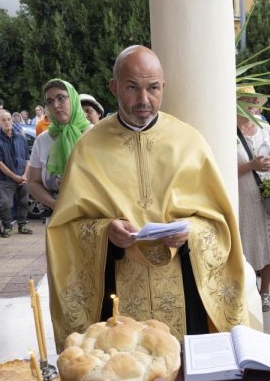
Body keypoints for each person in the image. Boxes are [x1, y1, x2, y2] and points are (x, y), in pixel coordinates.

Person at [46, 46, 253, 340]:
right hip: (116, 287)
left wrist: (190, 231)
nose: (144, 100)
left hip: (184, 284)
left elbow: (220, 222)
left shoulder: (189, 142)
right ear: (114, 87)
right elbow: (63, 231)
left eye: (153, 88)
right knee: (126, 373)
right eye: (132, 87)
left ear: (163, 87)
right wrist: (106, 232)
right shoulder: (87, 149)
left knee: (184, 372)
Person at [236, 90, 270, 312]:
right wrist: (251, 166)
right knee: (246, 246)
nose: (252, 106)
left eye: (255, 102)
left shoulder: (266, 129)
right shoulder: (227, 131)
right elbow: (219, 169)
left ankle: (265, 291)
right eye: (246, 102)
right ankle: (248, 291)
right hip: (244, 202)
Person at [26, 79, 92, 213]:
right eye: (49, 102)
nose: (55, 105)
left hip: (97, 218)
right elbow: (33, 182)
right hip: (59, 218)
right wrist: (54, 204)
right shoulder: (42, 141)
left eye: (61, 98)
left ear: (73, 98)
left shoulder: (97, 135)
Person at [0, 108, 34, 236]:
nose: (7, 122)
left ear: (12, 120)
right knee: (6, 205)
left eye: (9, 119)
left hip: (23, 177)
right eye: (3, 120)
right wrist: (14, 176)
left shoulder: (21, 138)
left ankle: (22, 225)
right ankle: (7, 227)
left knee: (23, 202)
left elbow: (27, 158)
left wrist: (24, 175)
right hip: (6, 179)